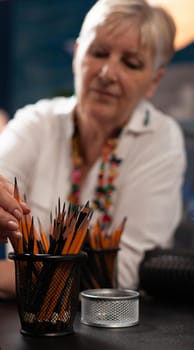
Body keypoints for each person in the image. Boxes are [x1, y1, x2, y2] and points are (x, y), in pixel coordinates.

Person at [0, 0, 186, 298]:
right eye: (98, 53)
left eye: (131, 63)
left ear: (154, 80)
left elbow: (120, 273)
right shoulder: (35, 122)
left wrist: (5, 275)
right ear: (76, 54)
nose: (108, 72)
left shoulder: (161, 138)